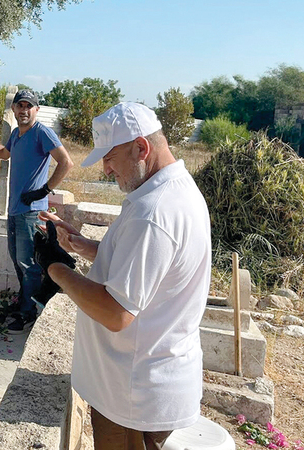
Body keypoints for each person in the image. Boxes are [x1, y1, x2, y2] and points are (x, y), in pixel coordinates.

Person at [37, 102, 211, 450]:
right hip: (137, 389)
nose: (105, 168)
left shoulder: (155, 213)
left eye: (110, 157)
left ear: (141, 148)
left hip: (135, 398)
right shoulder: (167, 192)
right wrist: (84, 246)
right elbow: (146, 271)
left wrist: (56, 269)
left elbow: (117, 313)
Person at [0, 89, 74, 333]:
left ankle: (28, 312)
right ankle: (24, 302)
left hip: (31, 210)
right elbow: (4, 154)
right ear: (14, 109)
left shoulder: (42, 133)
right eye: (20, 106)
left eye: (28, 106)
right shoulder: (17, 133)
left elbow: (66, 162)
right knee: (17, 260)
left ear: (36, 110)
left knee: (28, 264)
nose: (23, 110)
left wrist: (44, 190)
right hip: (15, 209)